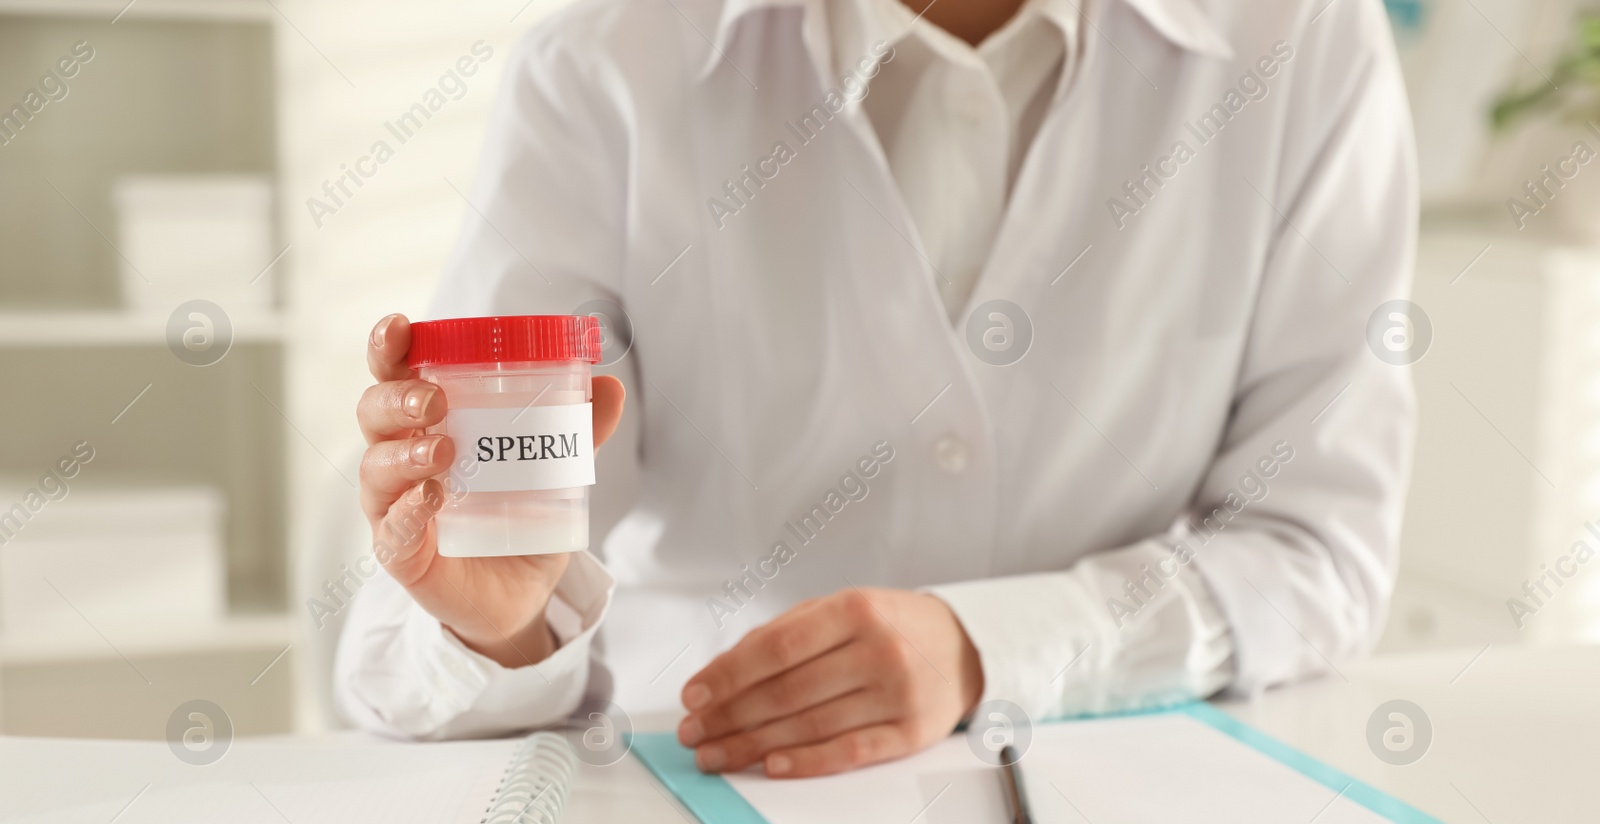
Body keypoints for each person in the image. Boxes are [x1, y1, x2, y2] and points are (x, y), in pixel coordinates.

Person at [337, 0, 1417, 778]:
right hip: (700, 784)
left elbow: (1317, 552)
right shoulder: (601, 67)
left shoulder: (1304, 42)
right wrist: (502, 631)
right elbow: (442, 628)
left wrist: (991, 644)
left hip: (1109, 794)